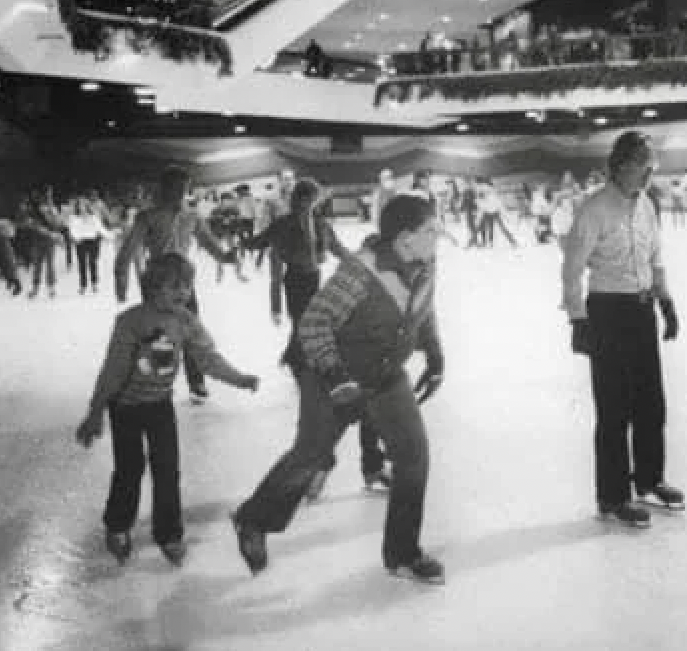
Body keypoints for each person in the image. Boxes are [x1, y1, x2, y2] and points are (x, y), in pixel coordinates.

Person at [231, 195, 447, 584]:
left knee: (413, 456)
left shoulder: (426, 263)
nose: (439, 236)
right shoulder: (359, 273)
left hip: (385, 376)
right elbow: (313, 323)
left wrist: (434, 355)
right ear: (405, 237)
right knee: (310, 455)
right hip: (331, 374)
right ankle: (252, 519)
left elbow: (424, 309)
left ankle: (402, 552)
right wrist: (334, 376)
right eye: (431, 230)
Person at [75, 254, 259, 566]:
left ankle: (169, 533)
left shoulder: (186, 320)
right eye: (174, 286)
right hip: (126, 407)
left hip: (160, 405)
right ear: (151, 287)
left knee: (167, 471)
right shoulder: (131, 321)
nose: (183, 292)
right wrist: (96, 412)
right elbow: (114, 370)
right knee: (129, 470)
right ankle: (118, 525)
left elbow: (208, 357)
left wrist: (238, 378)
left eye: (187, 285)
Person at [562, 131, 683, 529]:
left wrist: (665, 301)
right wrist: (578, 319)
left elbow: (656, 255)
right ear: (621, 166)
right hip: (607, 313)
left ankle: (649, 479)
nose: (650, 172)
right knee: (614, 409)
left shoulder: (646, 204)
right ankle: (612, 496)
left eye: (652, 164)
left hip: (642, 309)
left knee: (651, 402)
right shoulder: (594, 208)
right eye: (643, 164)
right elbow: (573, 267)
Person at [114, 166, 239, 403]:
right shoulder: (148, 217)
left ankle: (196, 381)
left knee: (190, 331)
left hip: (182, 281)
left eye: (183, 188)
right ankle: (156, 382)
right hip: (157, 282)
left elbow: (210, 244)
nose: (180, 193)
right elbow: (128, 251)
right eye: (175, 188)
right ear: (164, 188)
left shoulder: (192, 216)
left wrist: (226, 258)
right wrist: (121, 282)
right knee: (159, 334)